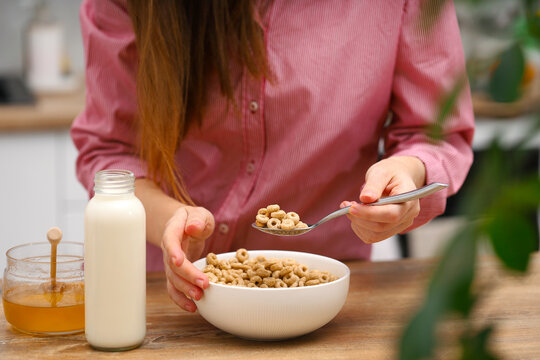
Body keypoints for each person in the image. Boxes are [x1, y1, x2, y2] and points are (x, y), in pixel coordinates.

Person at [71, 0, 474, 312]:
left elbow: (433, 134)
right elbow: (110, 150)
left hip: (319, 302)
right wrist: (170, 221)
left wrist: (405, 174)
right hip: (161, 296)